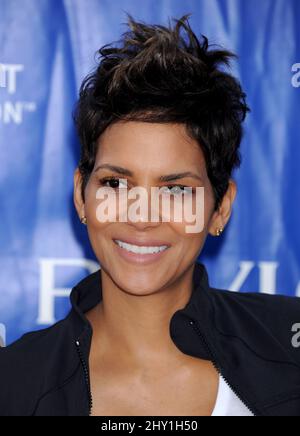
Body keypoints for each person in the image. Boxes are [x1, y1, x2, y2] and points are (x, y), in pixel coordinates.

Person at [1, 13, 300, 417]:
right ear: (80, 195)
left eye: (175, 189)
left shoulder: (288, 342)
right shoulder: (14, 383)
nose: (142, 217)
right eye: (116, 184)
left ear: (220, 208)